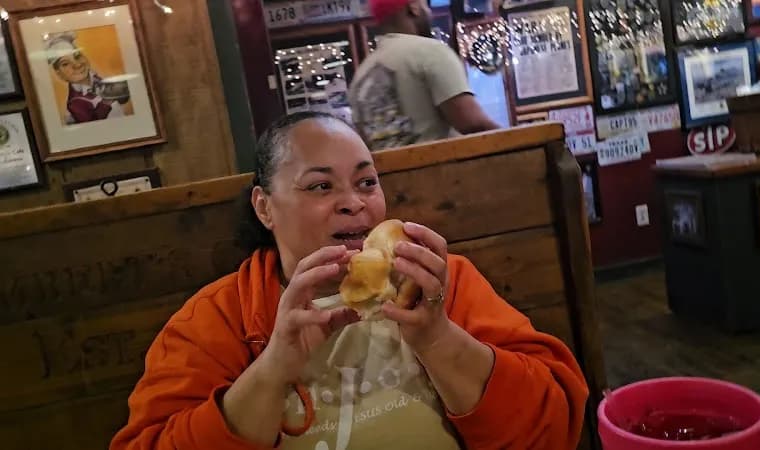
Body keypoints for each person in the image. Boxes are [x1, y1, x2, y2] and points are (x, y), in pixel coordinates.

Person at [110, 112, 588, 450]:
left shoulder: (440, 281)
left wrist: (436, 335)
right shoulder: (214, 320)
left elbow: (552, 429)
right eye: (320, 186)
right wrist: (274, 367)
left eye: (366, 182)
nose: (353, 203)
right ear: (264, 208)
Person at [348, 0, 499, 151]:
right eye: (424, 5)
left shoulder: (360, 77)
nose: (428, 12)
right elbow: (472, 123)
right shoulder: (429, 51)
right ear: (413, 8)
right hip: (440, 171)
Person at [45, 32, 130, 124]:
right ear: (59, 74)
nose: (77, 65)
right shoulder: (75, 104)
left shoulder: (96, 78)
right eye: (65, 64)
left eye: (77, 56)